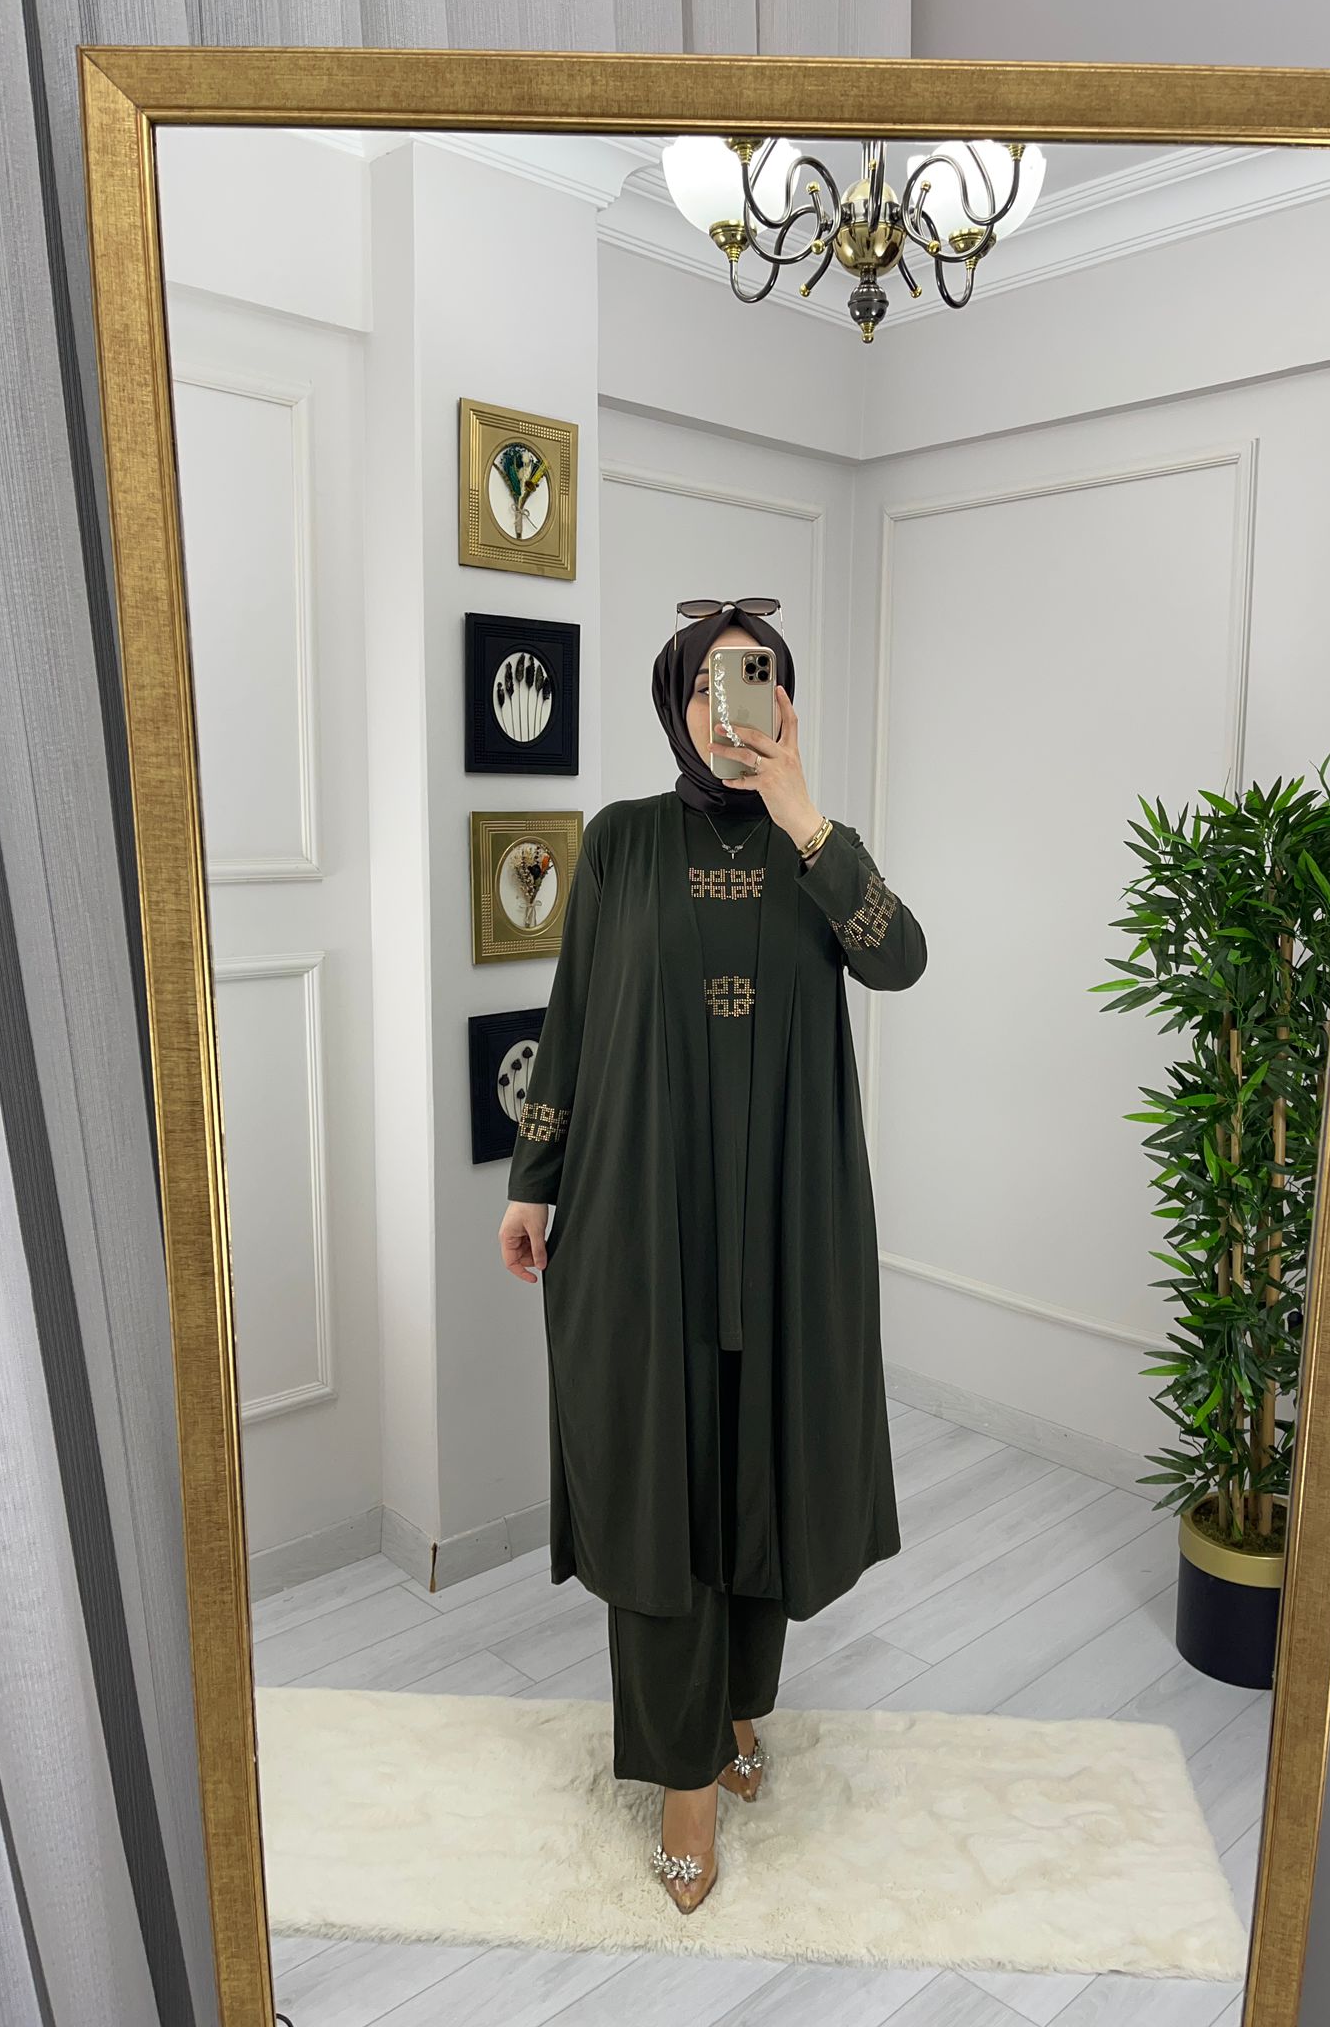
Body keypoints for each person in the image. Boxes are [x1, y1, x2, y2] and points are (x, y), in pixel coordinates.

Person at [497, 598, 928, 1912]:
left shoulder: (818, 850)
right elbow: (573, 1017)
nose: (729, 708)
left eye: (757, 681)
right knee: (658, 1485)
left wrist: (806, 815)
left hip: (787, 1226)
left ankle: (741, 1703)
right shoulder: (622, 842)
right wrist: (533, 1179)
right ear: (675, 702)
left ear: (784, 705)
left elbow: (900, 961)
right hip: (643, 1221)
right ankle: (684, 1777)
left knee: (760, 1470)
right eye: (707, 686)